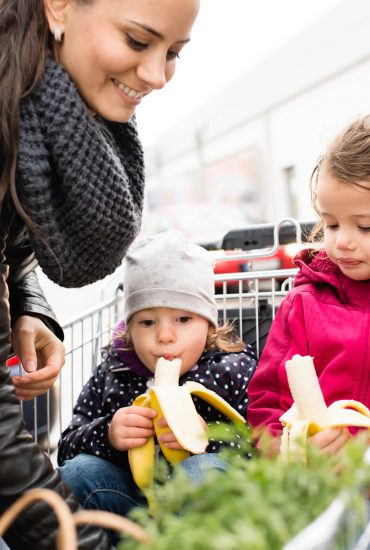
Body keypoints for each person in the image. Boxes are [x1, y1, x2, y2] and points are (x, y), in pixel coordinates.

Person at [0, 0, 200, 547]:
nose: (157, 76)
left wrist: (25, 302)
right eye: (138, 41)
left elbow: (10, 235)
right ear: (59, 8)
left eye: (174, 53)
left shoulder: (33, 109)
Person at [57, 230, 257, 528]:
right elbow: (66, 447)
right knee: (76, 473)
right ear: (129, 328)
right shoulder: (114, 373)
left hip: (205, 510)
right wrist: (109, 434)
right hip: (131, 507)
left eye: (184, 319)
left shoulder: (231, 370)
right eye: (148, 322)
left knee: (202, 472)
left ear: (208, 324)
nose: (165, 336)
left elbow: (263, 446)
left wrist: (210, 439)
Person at [248, 114, 370, 456]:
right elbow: (267, 399)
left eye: (365, 227)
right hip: (312, 484)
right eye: (331, 224)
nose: (343, 241)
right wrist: (291, 449)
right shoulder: (304, 303)